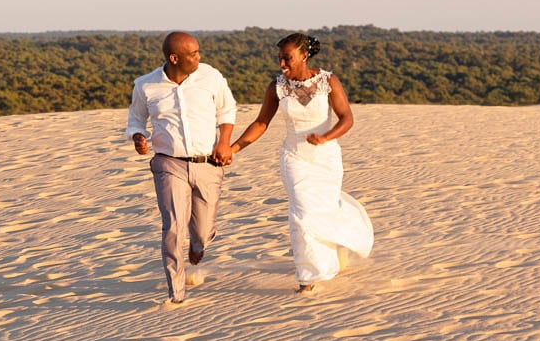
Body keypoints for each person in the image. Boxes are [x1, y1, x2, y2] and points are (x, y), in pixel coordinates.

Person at [230, 32, 373, 293]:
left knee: (323, 209)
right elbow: (261, 122)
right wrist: (235, 148)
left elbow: (346, 118)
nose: (282, 64)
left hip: (326, 158)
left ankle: (332, 254)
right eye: (280, 59)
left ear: (304, 56)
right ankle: (307, 278)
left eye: (288, 58)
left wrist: (325, 137)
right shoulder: (277, 87)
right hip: (295, 159)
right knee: (303, 215)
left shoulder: (327, 81)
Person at [126, 31, 237, 304]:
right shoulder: (145, 85)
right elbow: (135, 120)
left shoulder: (211, 76)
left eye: (198, 51)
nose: (199, 57)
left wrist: (224, 142)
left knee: (201, 231)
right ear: (174, 58)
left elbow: (227, 110)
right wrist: (138, 137)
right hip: (168, 163)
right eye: (193, 53)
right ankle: (176, 292)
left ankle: (199, 243)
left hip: (208, 163)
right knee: (173, 226)